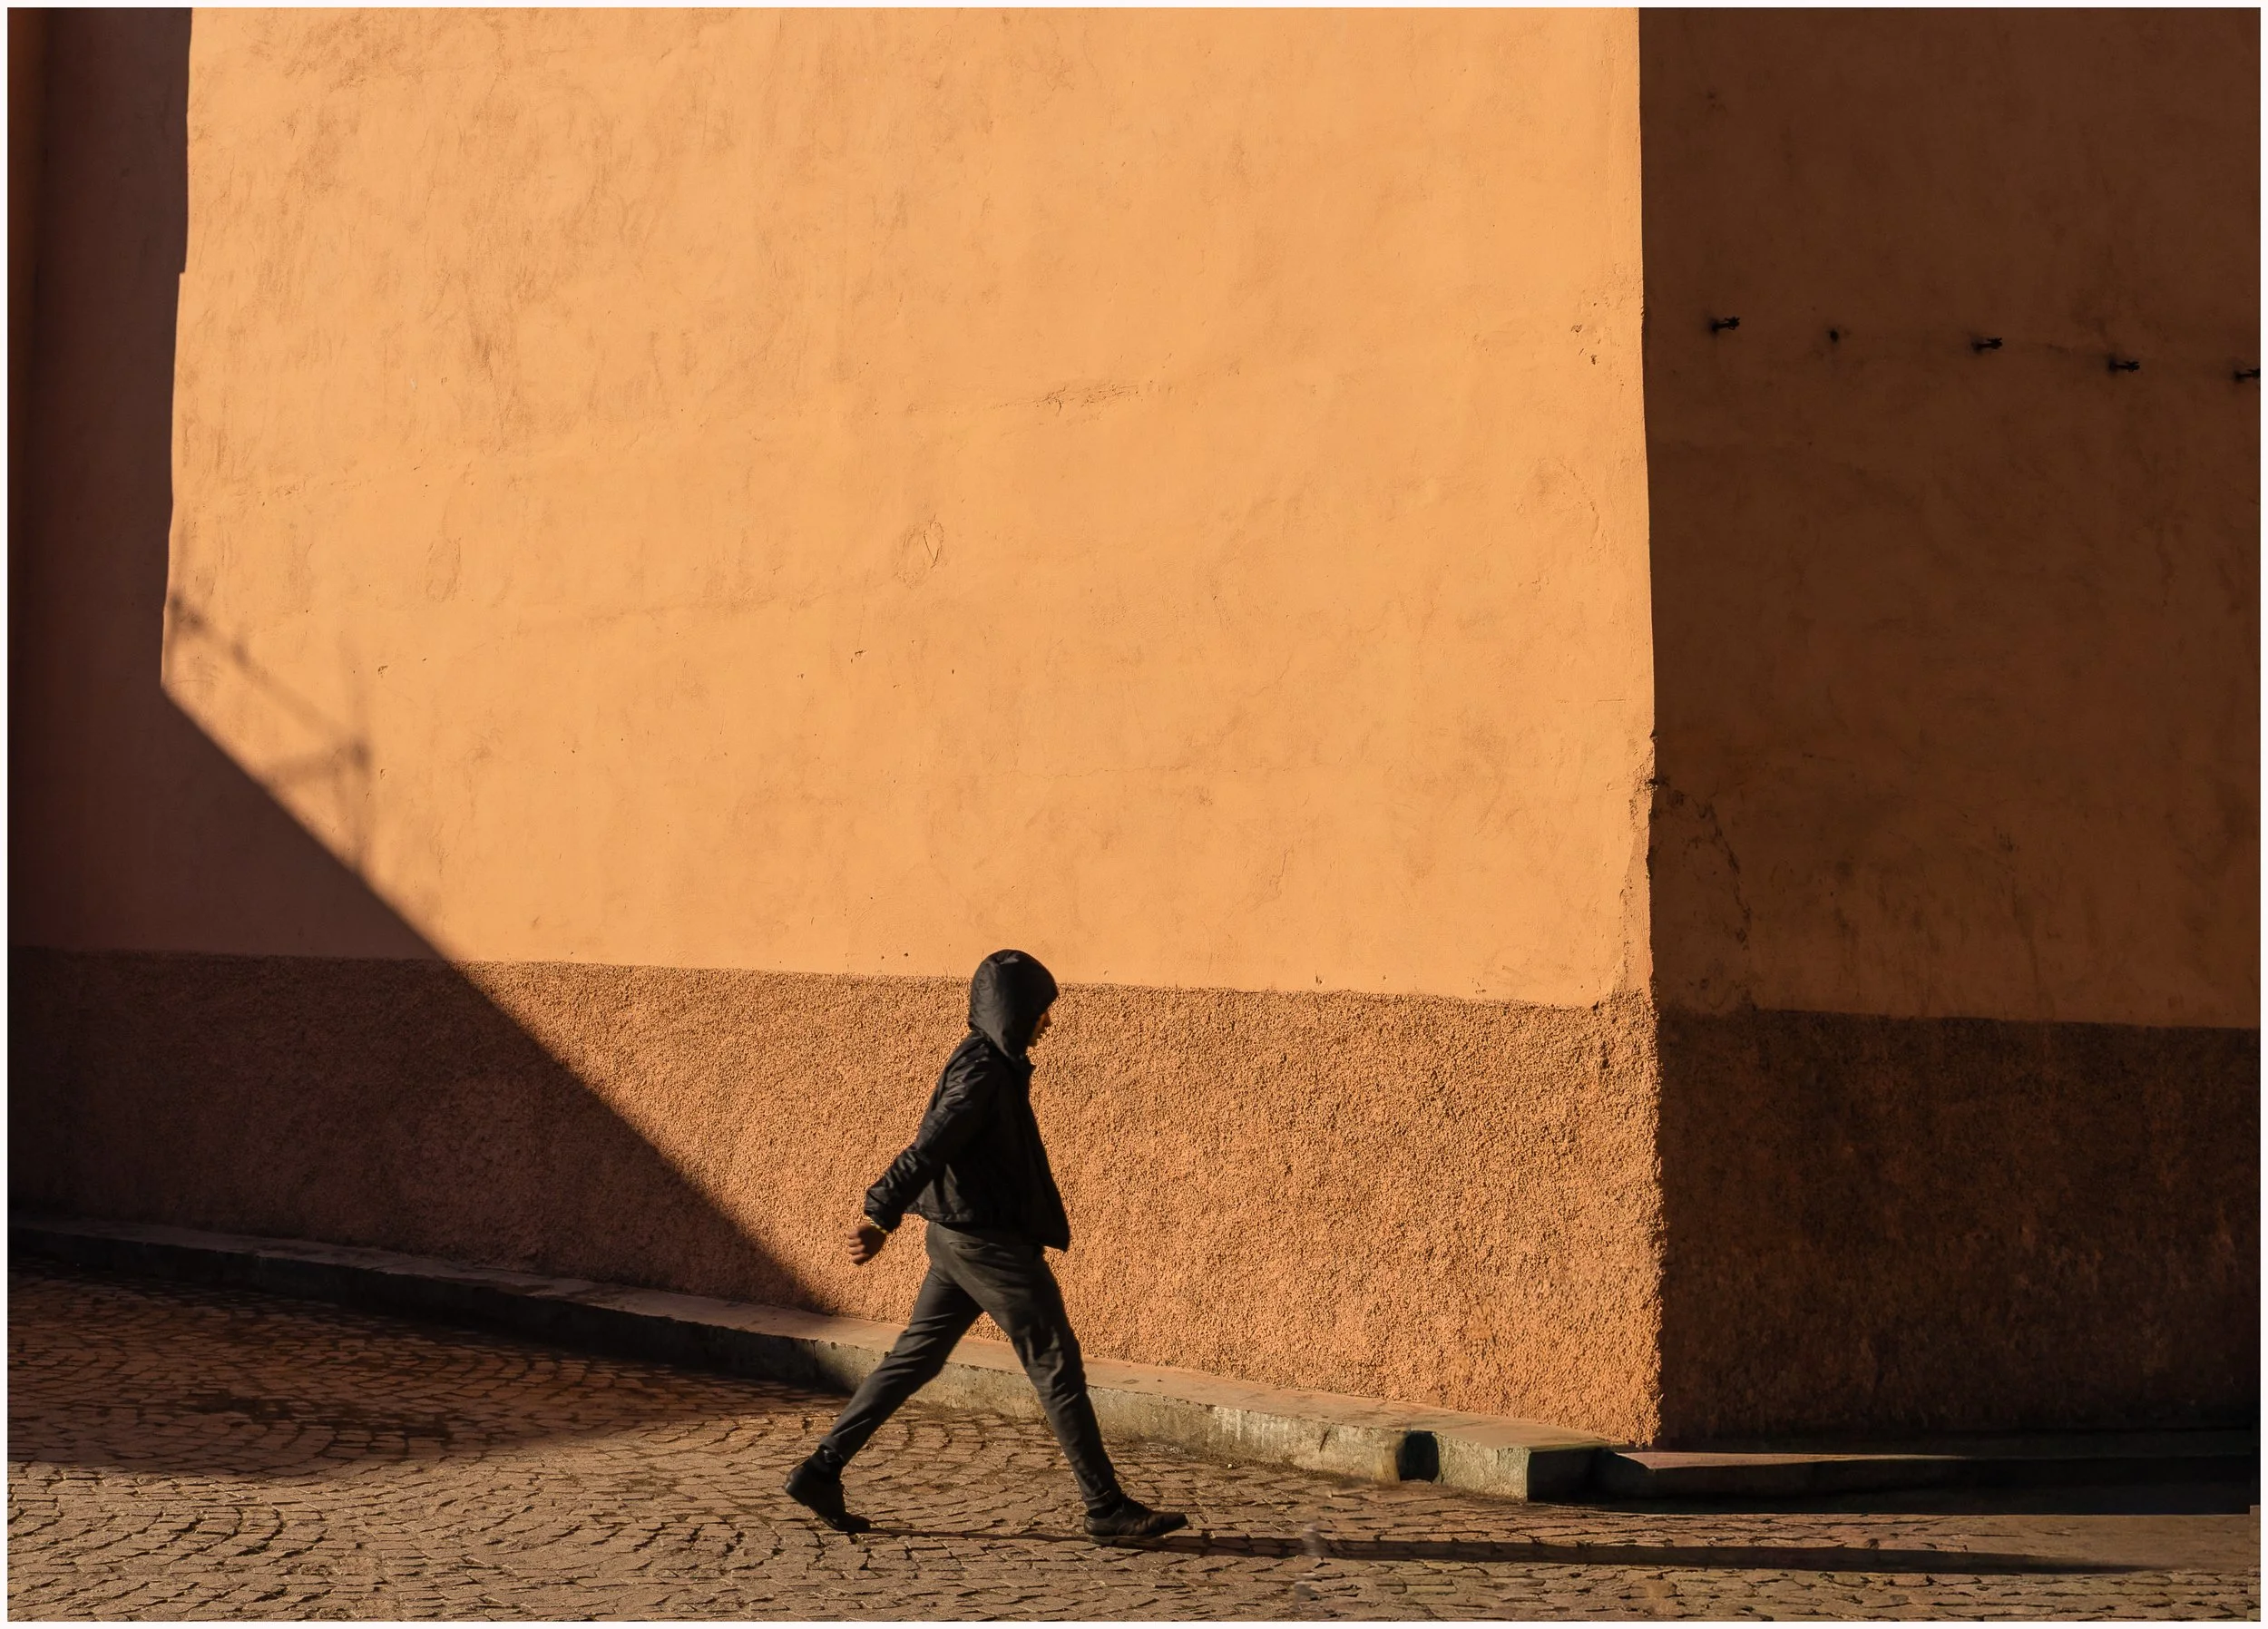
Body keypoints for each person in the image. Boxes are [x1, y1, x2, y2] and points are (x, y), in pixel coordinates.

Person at [785, 949, 1188, 1542]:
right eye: (1040, 1010)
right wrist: (881, 1212)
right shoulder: (983, 1071)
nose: (1048, 1022)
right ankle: (1105, 1507)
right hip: (986, 1246)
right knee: (1054, 1360)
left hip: (958, 1240)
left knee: (912, 1360)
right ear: (1013, 1009)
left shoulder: (989, 1060)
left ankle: (822, 1470)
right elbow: (932, 1144)